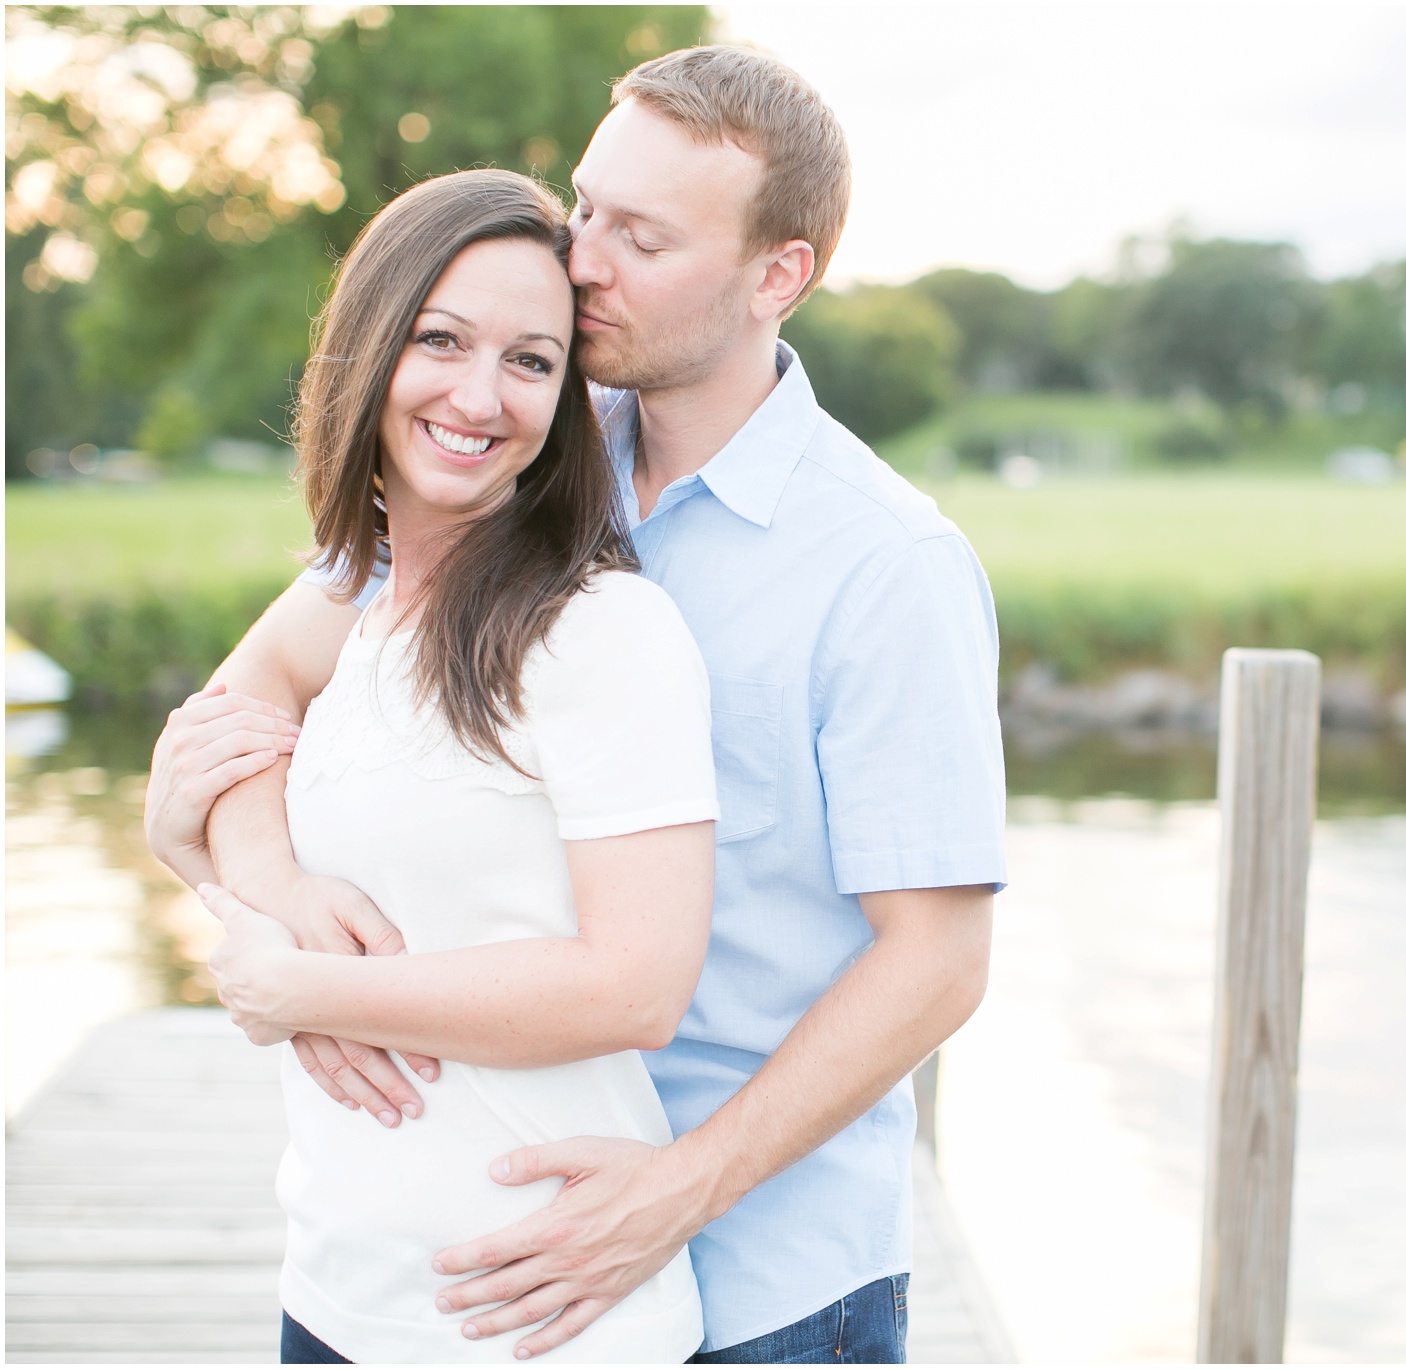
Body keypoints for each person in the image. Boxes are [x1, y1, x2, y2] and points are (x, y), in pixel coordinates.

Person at [146, 45, 1006, 1364]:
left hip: (769, 1272)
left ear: (779, 274)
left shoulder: (886, 566)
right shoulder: (519, 440)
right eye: (587, 205)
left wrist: (684, 1188)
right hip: (480, 1219)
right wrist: (283, 900)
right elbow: (255, 687)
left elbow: (938, 959)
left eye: (641, 237)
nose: (583, 257)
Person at [169, 167, 723, 1361]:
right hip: (333, 1298)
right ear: (371, 348)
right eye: (440, 339)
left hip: (537, 1318)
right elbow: (229, 719)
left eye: (531, 360)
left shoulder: (599, 630)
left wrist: (306, 989)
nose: (482, 395)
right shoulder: (356, 598)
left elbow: (638, 983)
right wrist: (283, 894)